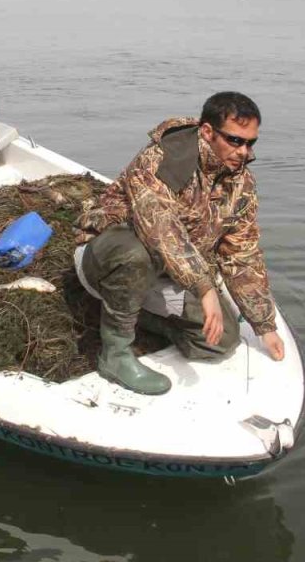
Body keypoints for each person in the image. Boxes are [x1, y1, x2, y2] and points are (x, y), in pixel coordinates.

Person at [73, 92, 286, 396]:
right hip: (106, 259)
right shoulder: (162, 159)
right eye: (235, 141)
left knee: (222, 340)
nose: (244, 152)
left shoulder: (241, 183)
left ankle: (134, 313)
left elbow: (241, 253)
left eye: (251, 143)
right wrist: (204, 286)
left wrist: (265, 325)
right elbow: (160, 229)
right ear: (208, 132)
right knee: (135, 254)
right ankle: (116, 355)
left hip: (169, 274)